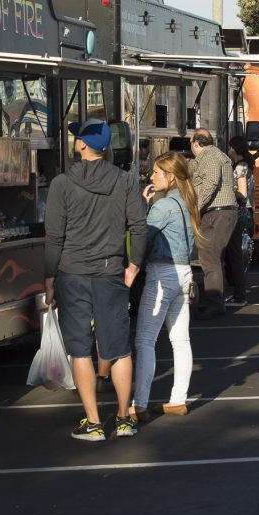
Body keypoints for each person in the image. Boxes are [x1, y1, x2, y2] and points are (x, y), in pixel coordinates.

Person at [44, 119, 148, 441]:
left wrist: (49, 278)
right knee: (117, 348)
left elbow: (54, 237)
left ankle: (92, 422)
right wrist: (133, 266)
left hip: (72, 273)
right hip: (109, 272)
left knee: (80, 350)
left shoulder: (61, 183)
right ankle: (123, 418)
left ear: (81, 145)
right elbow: (139, 228)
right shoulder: (125, 181)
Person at [133, 152, 201, 421]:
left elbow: (141, 235)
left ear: (171, 177)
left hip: (163, 273)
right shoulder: (186, 201)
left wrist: (142, 205)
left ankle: (139, 403)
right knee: (180, 340)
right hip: (185, 272)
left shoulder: (163, 206)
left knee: (145, 341)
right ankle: (178, 400)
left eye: (157, 172)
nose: (151, 176)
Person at [189, 129, 238, 320]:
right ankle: (214, 300)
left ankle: (215, 303)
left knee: (209, 258)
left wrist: (195, 207)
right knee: (214, 257)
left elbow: (209, 184)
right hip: (221, 212)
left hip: (217, 212)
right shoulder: (215, 155)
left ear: (196, 143)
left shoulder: (209, 156)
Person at [224, 136, 255, 306]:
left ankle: (239, 294)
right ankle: (239, 289)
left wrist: (225, 191)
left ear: (234, 149)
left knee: (235, 254)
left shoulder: (241, 167)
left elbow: (242, 193)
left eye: (229, 148)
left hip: (239, 212)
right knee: (234, 254)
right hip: (244, 212)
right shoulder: (244, 165)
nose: (228, 151)